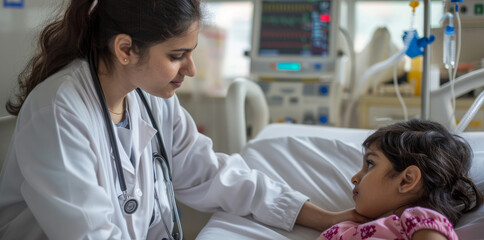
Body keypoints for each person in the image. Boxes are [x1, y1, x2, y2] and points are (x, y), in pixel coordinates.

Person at [0, 0, 367, 239]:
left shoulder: (149, 98)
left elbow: (212, 175)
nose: (190, 69)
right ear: (125, 49)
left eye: (191, 54)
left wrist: (323, 217)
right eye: (177, 56)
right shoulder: (58, 112)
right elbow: (88, 233)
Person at [317, 119, 483, 240]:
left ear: (407, 180)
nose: (355, 178)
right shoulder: (345, 227)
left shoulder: (420, 220)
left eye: (370, 164)